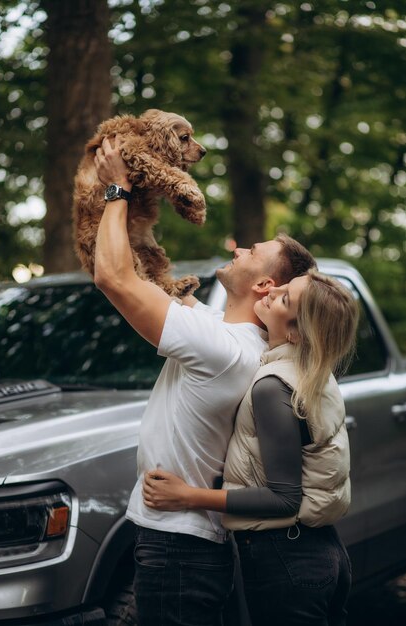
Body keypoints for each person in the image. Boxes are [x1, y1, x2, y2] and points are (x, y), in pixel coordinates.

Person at [93, 134, 316, 626]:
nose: (241, 247)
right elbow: (146, 277)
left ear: (264, 286)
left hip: (179, 547)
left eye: (254, 251)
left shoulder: (223, 348)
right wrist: (139, 202)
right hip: (179, 541)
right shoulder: (224, 333)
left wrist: (116, 191)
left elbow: (114, 279)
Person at [143, 270, 359, 626]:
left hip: (288, 560)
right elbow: (206, 320)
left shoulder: (273, 387)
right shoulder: (313, 371)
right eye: (284, 286)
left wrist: (187, 496)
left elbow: (283, 498)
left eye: (285, 299)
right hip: (324, 552)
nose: (274, 293)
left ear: (294, 332)